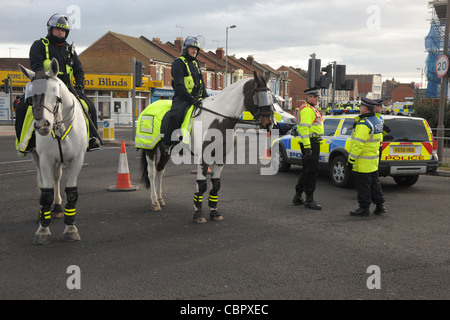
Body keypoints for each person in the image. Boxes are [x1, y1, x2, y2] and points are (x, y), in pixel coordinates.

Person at [15, 13, 100, 154]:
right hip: (43, 87)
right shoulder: (39, 45)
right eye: (57, 29)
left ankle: (91, 138)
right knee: (22, 108)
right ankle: (25, 141)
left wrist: (79, 86)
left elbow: (79, 71)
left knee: (89, 106)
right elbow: (37, 67)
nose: (60, 32)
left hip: (67, 89)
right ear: (50, 29)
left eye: (63, 30)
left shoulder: (70, 50)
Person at [163, 36, 208, 155]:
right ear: (186, 49)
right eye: (192, 48)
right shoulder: (179, 63)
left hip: (197, 98)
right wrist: (191, 99)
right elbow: (179, 86)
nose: (194, 51)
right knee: (176, 116)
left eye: (196, 49)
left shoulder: (196, 63)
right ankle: (169, 143)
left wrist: (207, 98)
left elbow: (202, 84)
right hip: (182, 98)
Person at [347, 97, 385, 216]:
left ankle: (364, 207)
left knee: (363, 185)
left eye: (361, 106)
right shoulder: (377, 121)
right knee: (375, 183)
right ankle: (380, 206)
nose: (360, 108)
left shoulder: (364, 124)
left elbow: (358, 145)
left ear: (365, 108)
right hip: (373, 160)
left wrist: (351, 160)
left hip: (362, 161)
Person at [292, 87, 324, 210]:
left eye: (317, 97)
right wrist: (307, 147)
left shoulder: (310, 109)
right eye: (314, 97)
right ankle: (309, 199)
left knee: (307, 170)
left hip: (310, 142)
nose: (316, 99)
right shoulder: (307, 110)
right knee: (311, 172)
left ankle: (298, 196)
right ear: (308, 97)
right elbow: (304, 130)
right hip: (310, 143)